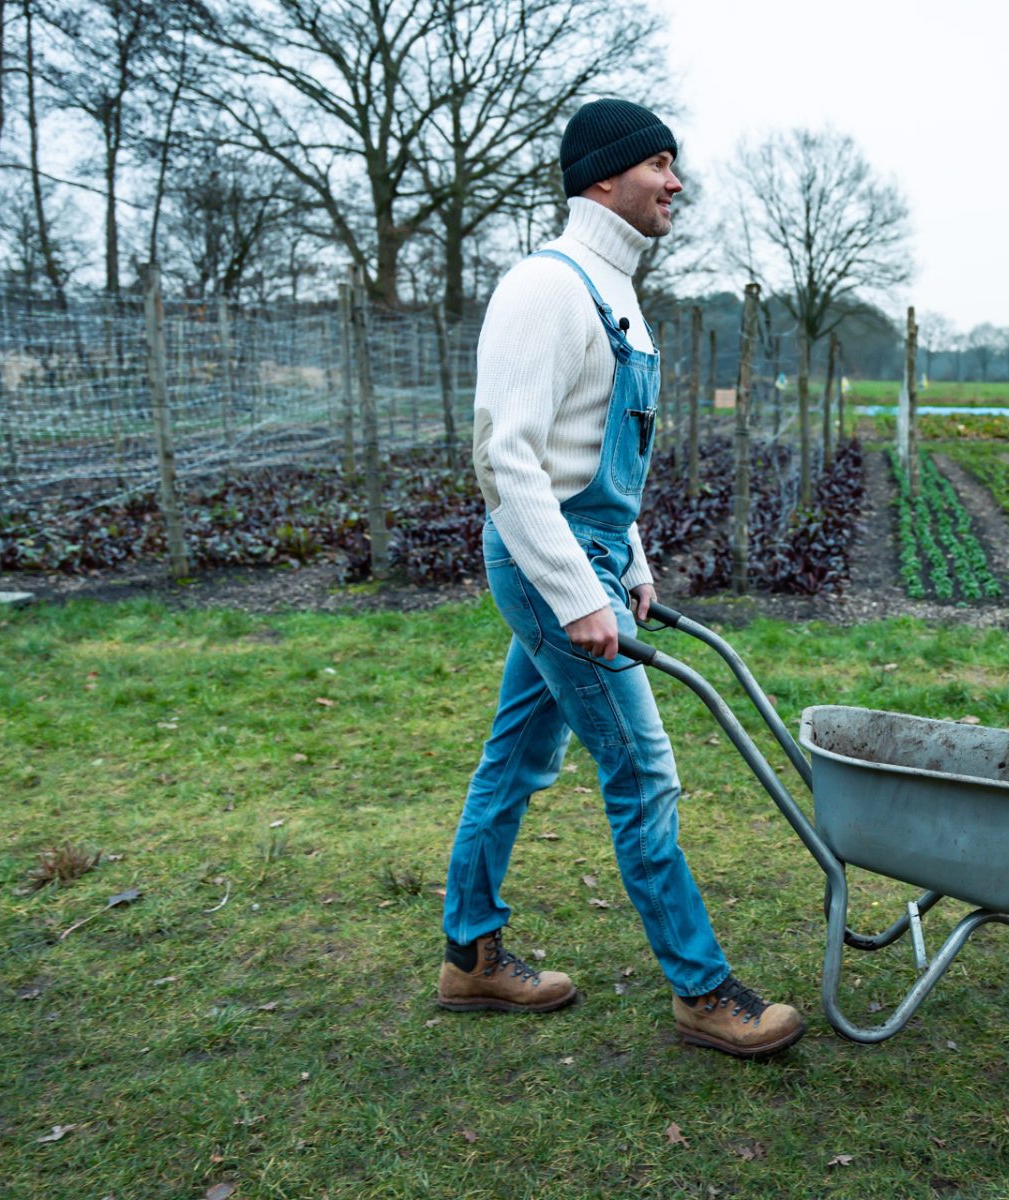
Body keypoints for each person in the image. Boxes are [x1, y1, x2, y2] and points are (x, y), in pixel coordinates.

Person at [436, 99, 804, 1059]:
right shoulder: (545, 287)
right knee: (643, 770)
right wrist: (577, 594)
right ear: (604, 175)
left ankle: (469, 955)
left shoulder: (617, 290)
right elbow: (504, 461)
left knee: (516, 760)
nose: (676, 183)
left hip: (586, 553)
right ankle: (701, 989)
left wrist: (627, 561)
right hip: (541, 558)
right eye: (659, 165)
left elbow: (596, 456)